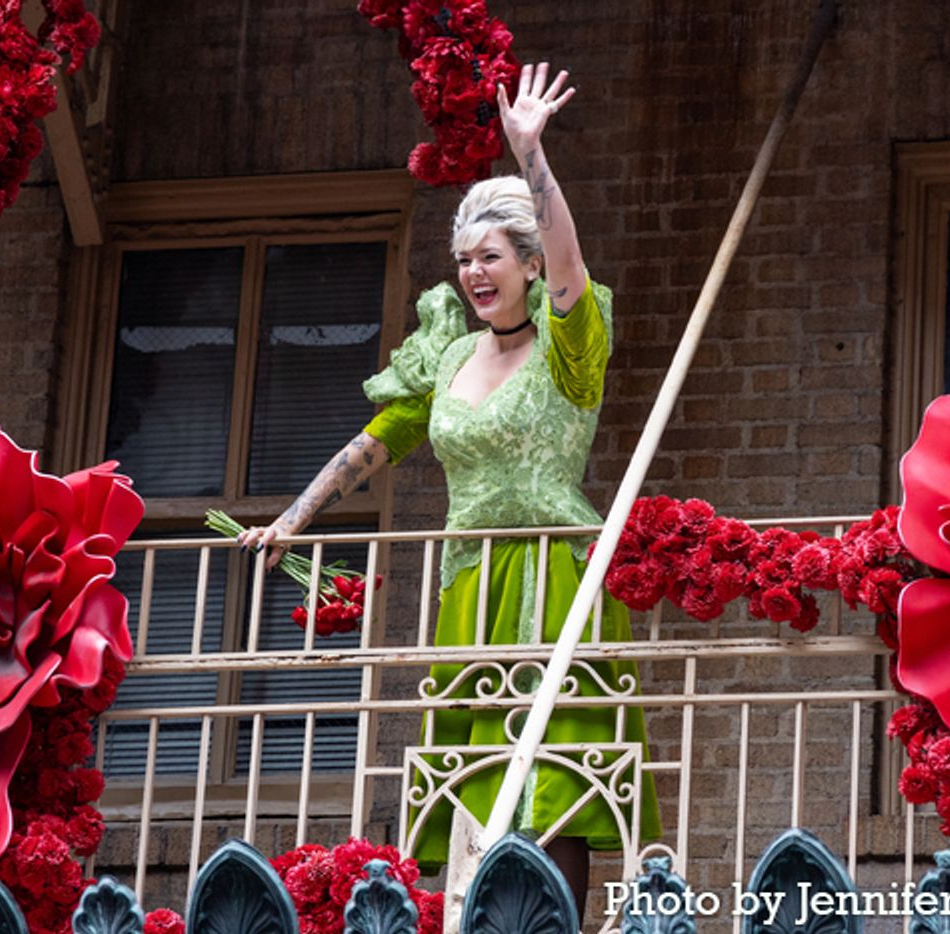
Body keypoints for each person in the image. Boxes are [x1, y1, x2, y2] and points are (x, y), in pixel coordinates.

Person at [239, 61, 659, 917]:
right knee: (478, 789)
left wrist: (530, 157)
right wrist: (291, 518)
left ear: (530, 265)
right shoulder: (449, 355)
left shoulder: (568, 347)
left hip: (555, 580)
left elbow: (575, 271)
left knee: (553, 789)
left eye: (492, 256)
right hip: (470, 586)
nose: (474, 272)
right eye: (464, 258)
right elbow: (379, 439)